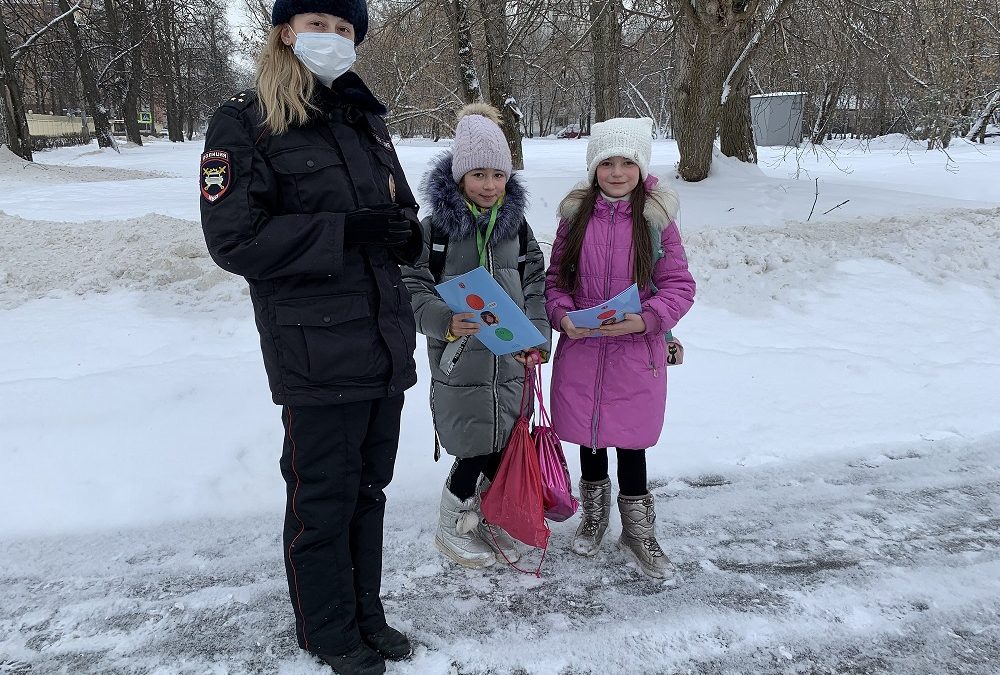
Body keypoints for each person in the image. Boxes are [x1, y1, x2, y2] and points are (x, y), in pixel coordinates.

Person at [199, 2, 421, 673]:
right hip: (314, 345)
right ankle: (327, 630)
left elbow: (400, 209)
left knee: (369, 489)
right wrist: (344, 232)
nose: (332, 39)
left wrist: (407, 232)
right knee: (323, 495)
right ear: (286, 31)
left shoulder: (364, 116)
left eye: (346, 29)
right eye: (318, 23)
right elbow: (234, 239)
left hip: (384, 340)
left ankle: (365, 612)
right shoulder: (244, 120)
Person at [544, 117, 695, 580]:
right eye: (606, 162)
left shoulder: (657, 219)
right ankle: (594, 517)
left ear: (640, 166)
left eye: (626, 162)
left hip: (635, 353)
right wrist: (564, 316)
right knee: (591, 437)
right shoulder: (575, 216)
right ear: (593, 168)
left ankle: (638, 529)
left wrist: (647, 320)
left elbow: (679, 286)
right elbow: (556, 281)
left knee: (630, 442)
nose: (616, 172)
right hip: (585, 347)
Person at [401, 104, 551, 569]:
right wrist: (443, 319)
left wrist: (536, 338)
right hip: (460, 360)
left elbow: (534, 284)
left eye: (498, 175)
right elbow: (410, 284)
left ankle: (484, 512)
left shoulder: (517, 230)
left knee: (504, 442)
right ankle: (452, 523)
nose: (489, 185)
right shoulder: (436, 230)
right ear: (459, 176)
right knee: (472, 447)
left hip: (510, 362)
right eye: (478, 174)